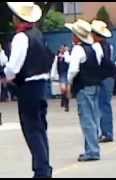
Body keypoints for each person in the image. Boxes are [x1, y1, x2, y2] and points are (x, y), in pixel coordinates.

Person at [0, 2, 53, 178]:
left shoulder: (21, 37)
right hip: (41, 83)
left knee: (31, 129)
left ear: (17, 19)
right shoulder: (38, 34)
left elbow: (13, 67)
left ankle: (41, 170)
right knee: (40, 128)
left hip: (28, 86)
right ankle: (44, 166)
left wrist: (6, 76)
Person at [65, 19, 102, 162]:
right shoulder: (94, 48)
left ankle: (92, 150)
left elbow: (73, 69)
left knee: (86, 119)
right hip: (95, 84)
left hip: (83, 86)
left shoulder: (77, 49)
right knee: (94, 117)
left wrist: (69, 82)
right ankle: (91, 147)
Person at [90, 20, 116, 143]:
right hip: (110, 76)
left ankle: (106, 133)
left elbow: (97, 63)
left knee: (102, 105)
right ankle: (107, 131)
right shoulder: (107, 45)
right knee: (105, 104)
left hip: (103, 77)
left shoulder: (96, 46)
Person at [51, 45, 71, 112]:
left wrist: (66, 53)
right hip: (61, 74)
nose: (63, 49)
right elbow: (54, 66)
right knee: (63, 89)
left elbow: (69, 61)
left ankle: (67, 105)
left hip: (68, 74)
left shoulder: (68, 56)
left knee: (68, 90)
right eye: (61, 48)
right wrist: (52, 75)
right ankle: (63, 98)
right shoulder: (57, 57)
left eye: (64, 48)